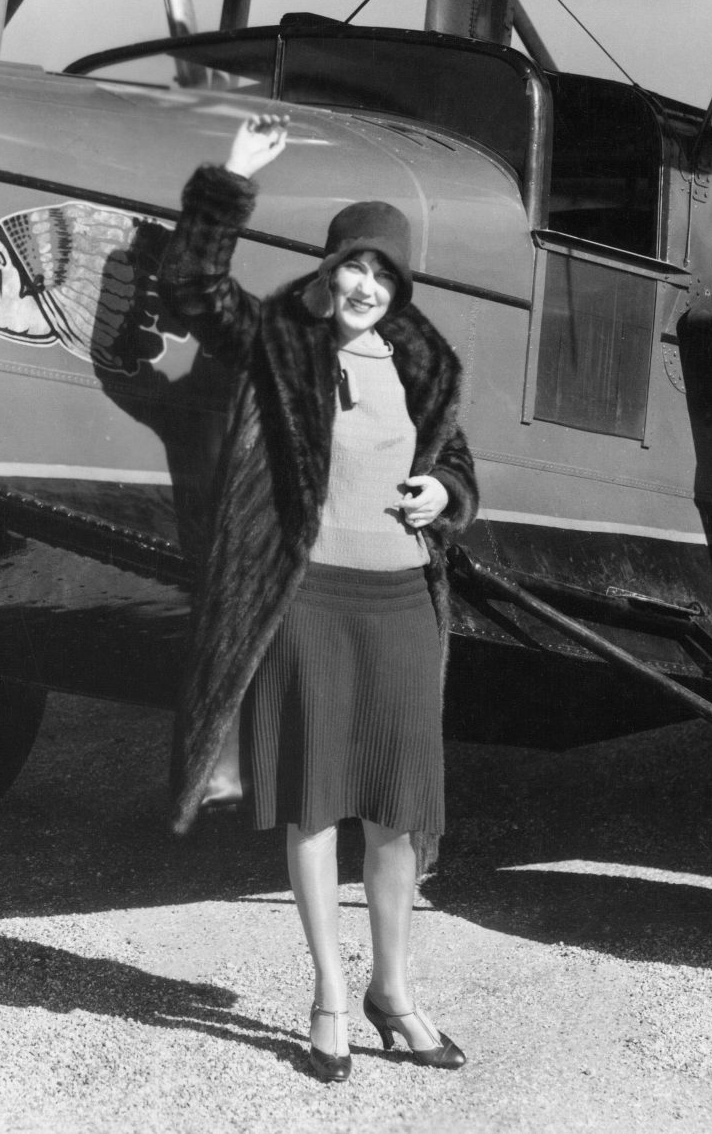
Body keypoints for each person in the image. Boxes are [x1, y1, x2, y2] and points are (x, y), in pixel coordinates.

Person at [162, 111, 479, 1082]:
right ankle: (328, 998)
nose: (364, 287)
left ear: (399, 286)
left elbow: (456, 470)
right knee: (314, 802)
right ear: (330, 261)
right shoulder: (279, 338)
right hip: (307, 602)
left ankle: (393, 988)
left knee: (398, 809)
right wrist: (231, 177)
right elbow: (191, 288)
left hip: (401, 608)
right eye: (354, 266)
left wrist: (446, 496)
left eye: (383, 276)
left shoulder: (424, 360)